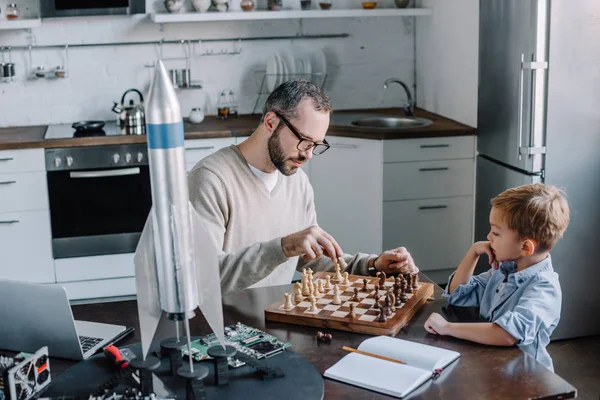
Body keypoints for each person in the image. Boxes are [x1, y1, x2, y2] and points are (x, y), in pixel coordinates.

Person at [188, 79, 418, 294]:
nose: (309, 154)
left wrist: (372, 264)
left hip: (274, 315)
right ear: (271, 122)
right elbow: (204, 276)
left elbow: (310, 257)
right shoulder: (211, 179)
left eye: (316, 144)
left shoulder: (296, 180)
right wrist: (283, 247)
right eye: (304, 140)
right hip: (221, 327)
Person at [424, 183, 570, 371]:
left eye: (496, 232)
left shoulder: (544, 288)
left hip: (524, 380)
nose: (488, 236)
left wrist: (448, 328)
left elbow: (506, 334)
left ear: (525, 247)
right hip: (492, 365)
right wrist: (473, 253)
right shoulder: (505, 270)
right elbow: (458, 295)